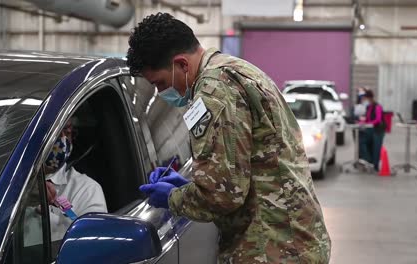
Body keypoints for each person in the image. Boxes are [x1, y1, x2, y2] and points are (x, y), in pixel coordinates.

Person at [127, 13, 330, 263]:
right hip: (289, 238)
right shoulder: (234, 69)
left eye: (159, 83)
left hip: (272, 249)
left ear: (182, 64)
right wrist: (188, 186)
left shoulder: (215, 91)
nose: (161, 92)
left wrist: (172, 198)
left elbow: (223, 195)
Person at [24, 119, 107, 245]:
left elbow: (92, 244)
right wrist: (24, 198)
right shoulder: (7, 185)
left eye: (66, 131)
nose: (61, 140)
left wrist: (52, 205)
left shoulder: (86, 189)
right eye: (53, 133)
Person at [358, 90, 386, 171]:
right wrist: (362, 122)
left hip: (378, 130)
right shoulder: (368, 107)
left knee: (376, 147)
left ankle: (375, 165)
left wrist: (369, 123)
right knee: (362, 142)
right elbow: (367, 118)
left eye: (365, 98)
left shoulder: (377, 107)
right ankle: (368, 160)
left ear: (369, 98)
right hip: (370, 129)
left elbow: (378, 119)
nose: (364, 100)